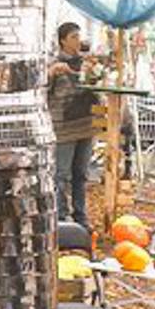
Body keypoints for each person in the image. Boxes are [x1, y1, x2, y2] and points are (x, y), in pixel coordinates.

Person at [48, 22, 97, 228]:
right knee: (61, 174)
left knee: (81, 172)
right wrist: (51, 74)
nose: (78, 41)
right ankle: (60, 217)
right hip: (64, 126)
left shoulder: (86, 64)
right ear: (62, 41)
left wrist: (94, 73)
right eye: (73, 37)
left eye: (79, 36)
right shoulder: (54, 64)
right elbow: (41, 89)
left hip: (86, 124)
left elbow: (95, 88)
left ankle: (81, 216)